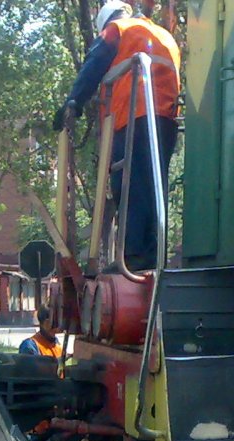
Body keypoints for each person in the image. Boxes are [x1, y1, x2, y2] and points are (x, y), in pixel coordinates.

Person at [54, 1, 181, 271]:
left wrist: (73, 102)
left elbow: (95, 64)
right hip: (166, 120)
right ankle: (152, 252)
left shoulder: (117, 30)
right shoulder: (163, 35)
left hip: (133, 115)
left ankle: (134, 254)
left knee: (128, 184)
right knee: (154, 186)